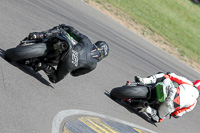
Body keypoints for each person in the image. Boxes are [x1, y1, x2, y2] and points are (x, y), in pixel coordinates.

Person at [27, 24, 109, 83]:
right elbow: (74, 73)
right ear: (102, 57)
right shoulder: (93, 65)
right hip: (69, 64)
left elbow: (74, 31)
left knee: (60, 30)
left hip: (68, 49)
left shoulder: (87, 41)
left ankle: (40, 35)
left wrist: (64, 26)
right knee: (55, 79)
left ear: (96, 44)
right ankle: (43, 66)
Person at [135, 72, 199, 122]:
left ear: (195, 82)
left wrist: (169, 73)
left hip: (171, 91)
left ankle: (144, 80)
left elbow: (172, 76)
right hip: (170, 105)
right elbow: (176, 114)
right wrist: (173, 113)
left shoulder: (189, 83)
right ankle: (147, 109)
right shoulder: (193, 104)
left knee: (164, 76)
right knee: (158, 119)